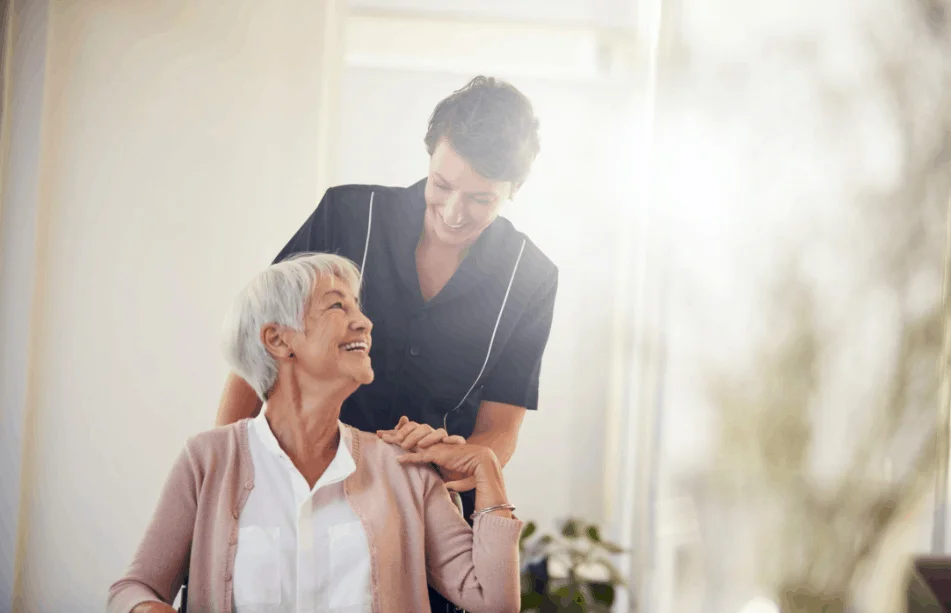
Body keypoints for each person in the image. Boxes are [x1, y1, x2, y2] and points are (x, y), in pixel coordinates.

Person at [216, 75, 558, 612]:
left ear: (513, 190)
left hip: (421, 518)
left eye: (480, 199)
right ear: (429, 156)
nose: (452, 212)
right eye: (441, 185)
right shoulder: (348, 216)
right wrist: (224, 470)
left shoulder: (531, 279)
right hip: (295, 492)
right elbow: (258, 347)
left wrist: (446, 470)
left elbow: (500, 427)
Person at [108, 254, 522, 613]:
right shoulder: (207, 459)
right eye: (337, 307)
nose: (364, 322)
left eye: (358, 307)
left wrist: (488, 474)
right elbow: (134, 588)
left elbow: (492, 599)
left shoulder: (404, 467)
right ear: (278, 339)